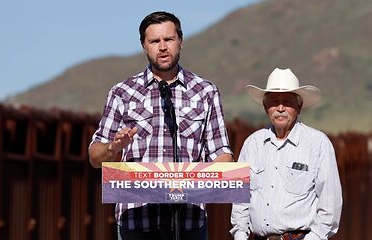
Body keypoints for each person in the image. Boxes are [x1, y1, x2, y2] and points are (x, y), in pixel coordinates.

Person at [88, 11, 233, 240]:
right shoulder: (122, 93)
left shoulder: (205, 92)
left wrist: (198, 181)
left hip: (189, 223)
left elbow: (222, 155)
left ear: (181, 42)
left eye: (169, 39)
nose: (162, 47)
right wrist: (113, 148)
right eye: (154, 41)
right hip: (136, 223)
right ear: (144, 46)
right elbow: (95, 157)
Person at [230, 68, 342, 240]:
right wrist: (240, 234)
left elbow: (330, 205)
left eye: (287, 102)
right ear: (266, 106)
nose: (280, 108)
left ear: (299, 106)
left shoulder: (318, 144)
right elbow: (240, 200)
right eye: (274, 101)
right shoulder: (252, 144)